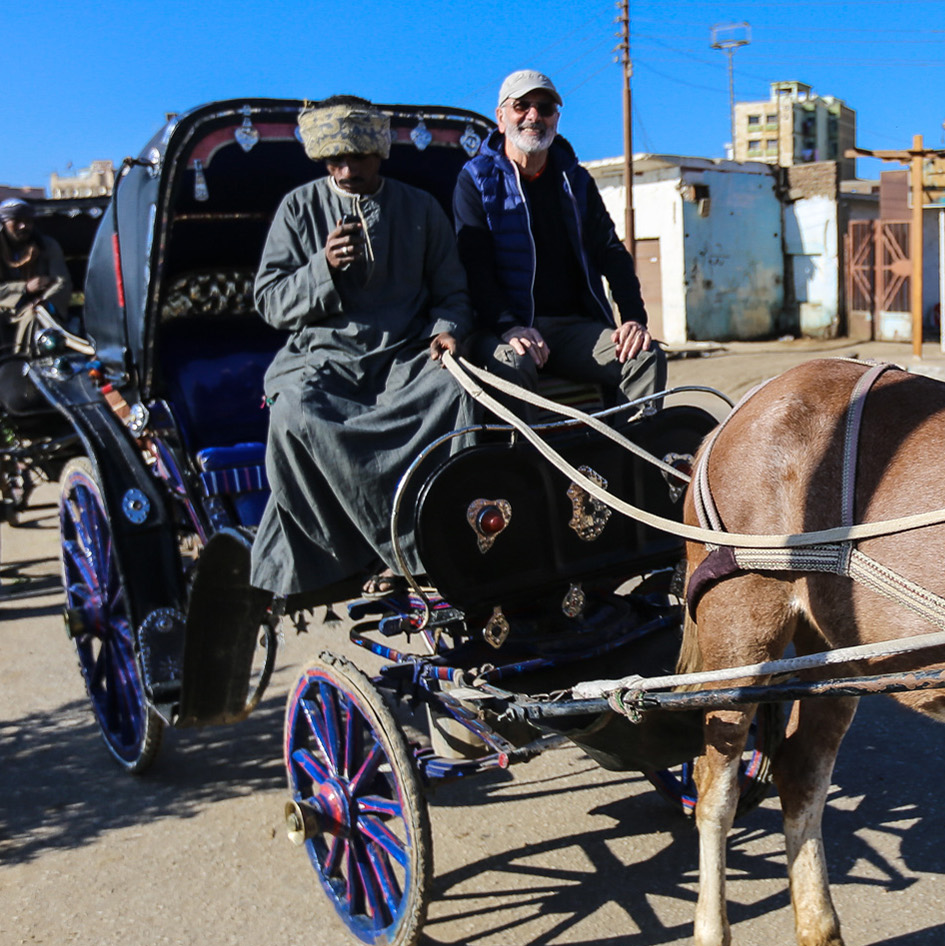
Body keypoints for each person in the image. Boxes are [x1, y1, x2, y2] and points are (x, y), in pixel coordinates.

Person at [249, 95, 475, 599]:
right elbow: (269, 301)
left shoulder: (420, 208)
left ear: (381, 153)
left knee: (457, 392)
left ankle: (449, 538)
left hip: (405, 354)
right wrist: (321, 268)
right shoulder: (298, 208)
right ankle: (351, 555)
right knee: (295, 414)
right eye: (336, 160)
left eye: (359, 158)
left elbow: (453, 291)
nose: (348, 170)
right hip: (321, 356)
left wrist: (447, 329)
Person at [454, 69, 663, 409]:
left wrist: (634, 318)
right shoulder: (475, 180)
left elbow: (611, 252)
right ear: (501, 116)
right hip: (500, 328)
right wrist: (510, 327)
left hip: (571, 328)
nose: (534, 116)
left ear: (556, 118)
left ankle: (631, 459)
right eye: (522, 106)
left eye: (545, 108)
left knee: (644, 356)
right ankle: (526, 461)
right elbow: (473, 265)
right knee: (513, 364)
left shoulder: (575, 180)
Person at [0, 198, 71, 353]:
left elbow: (61, 281)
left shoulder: (47, 246)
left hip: (37, 306)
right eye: (17, 221)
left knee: (35, 317)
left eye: (28, 221)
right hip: (4, 308)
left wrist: (46, 302)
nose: (23, 226)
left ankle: (29, 363)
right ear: (4, 223)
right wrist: (24, 288)